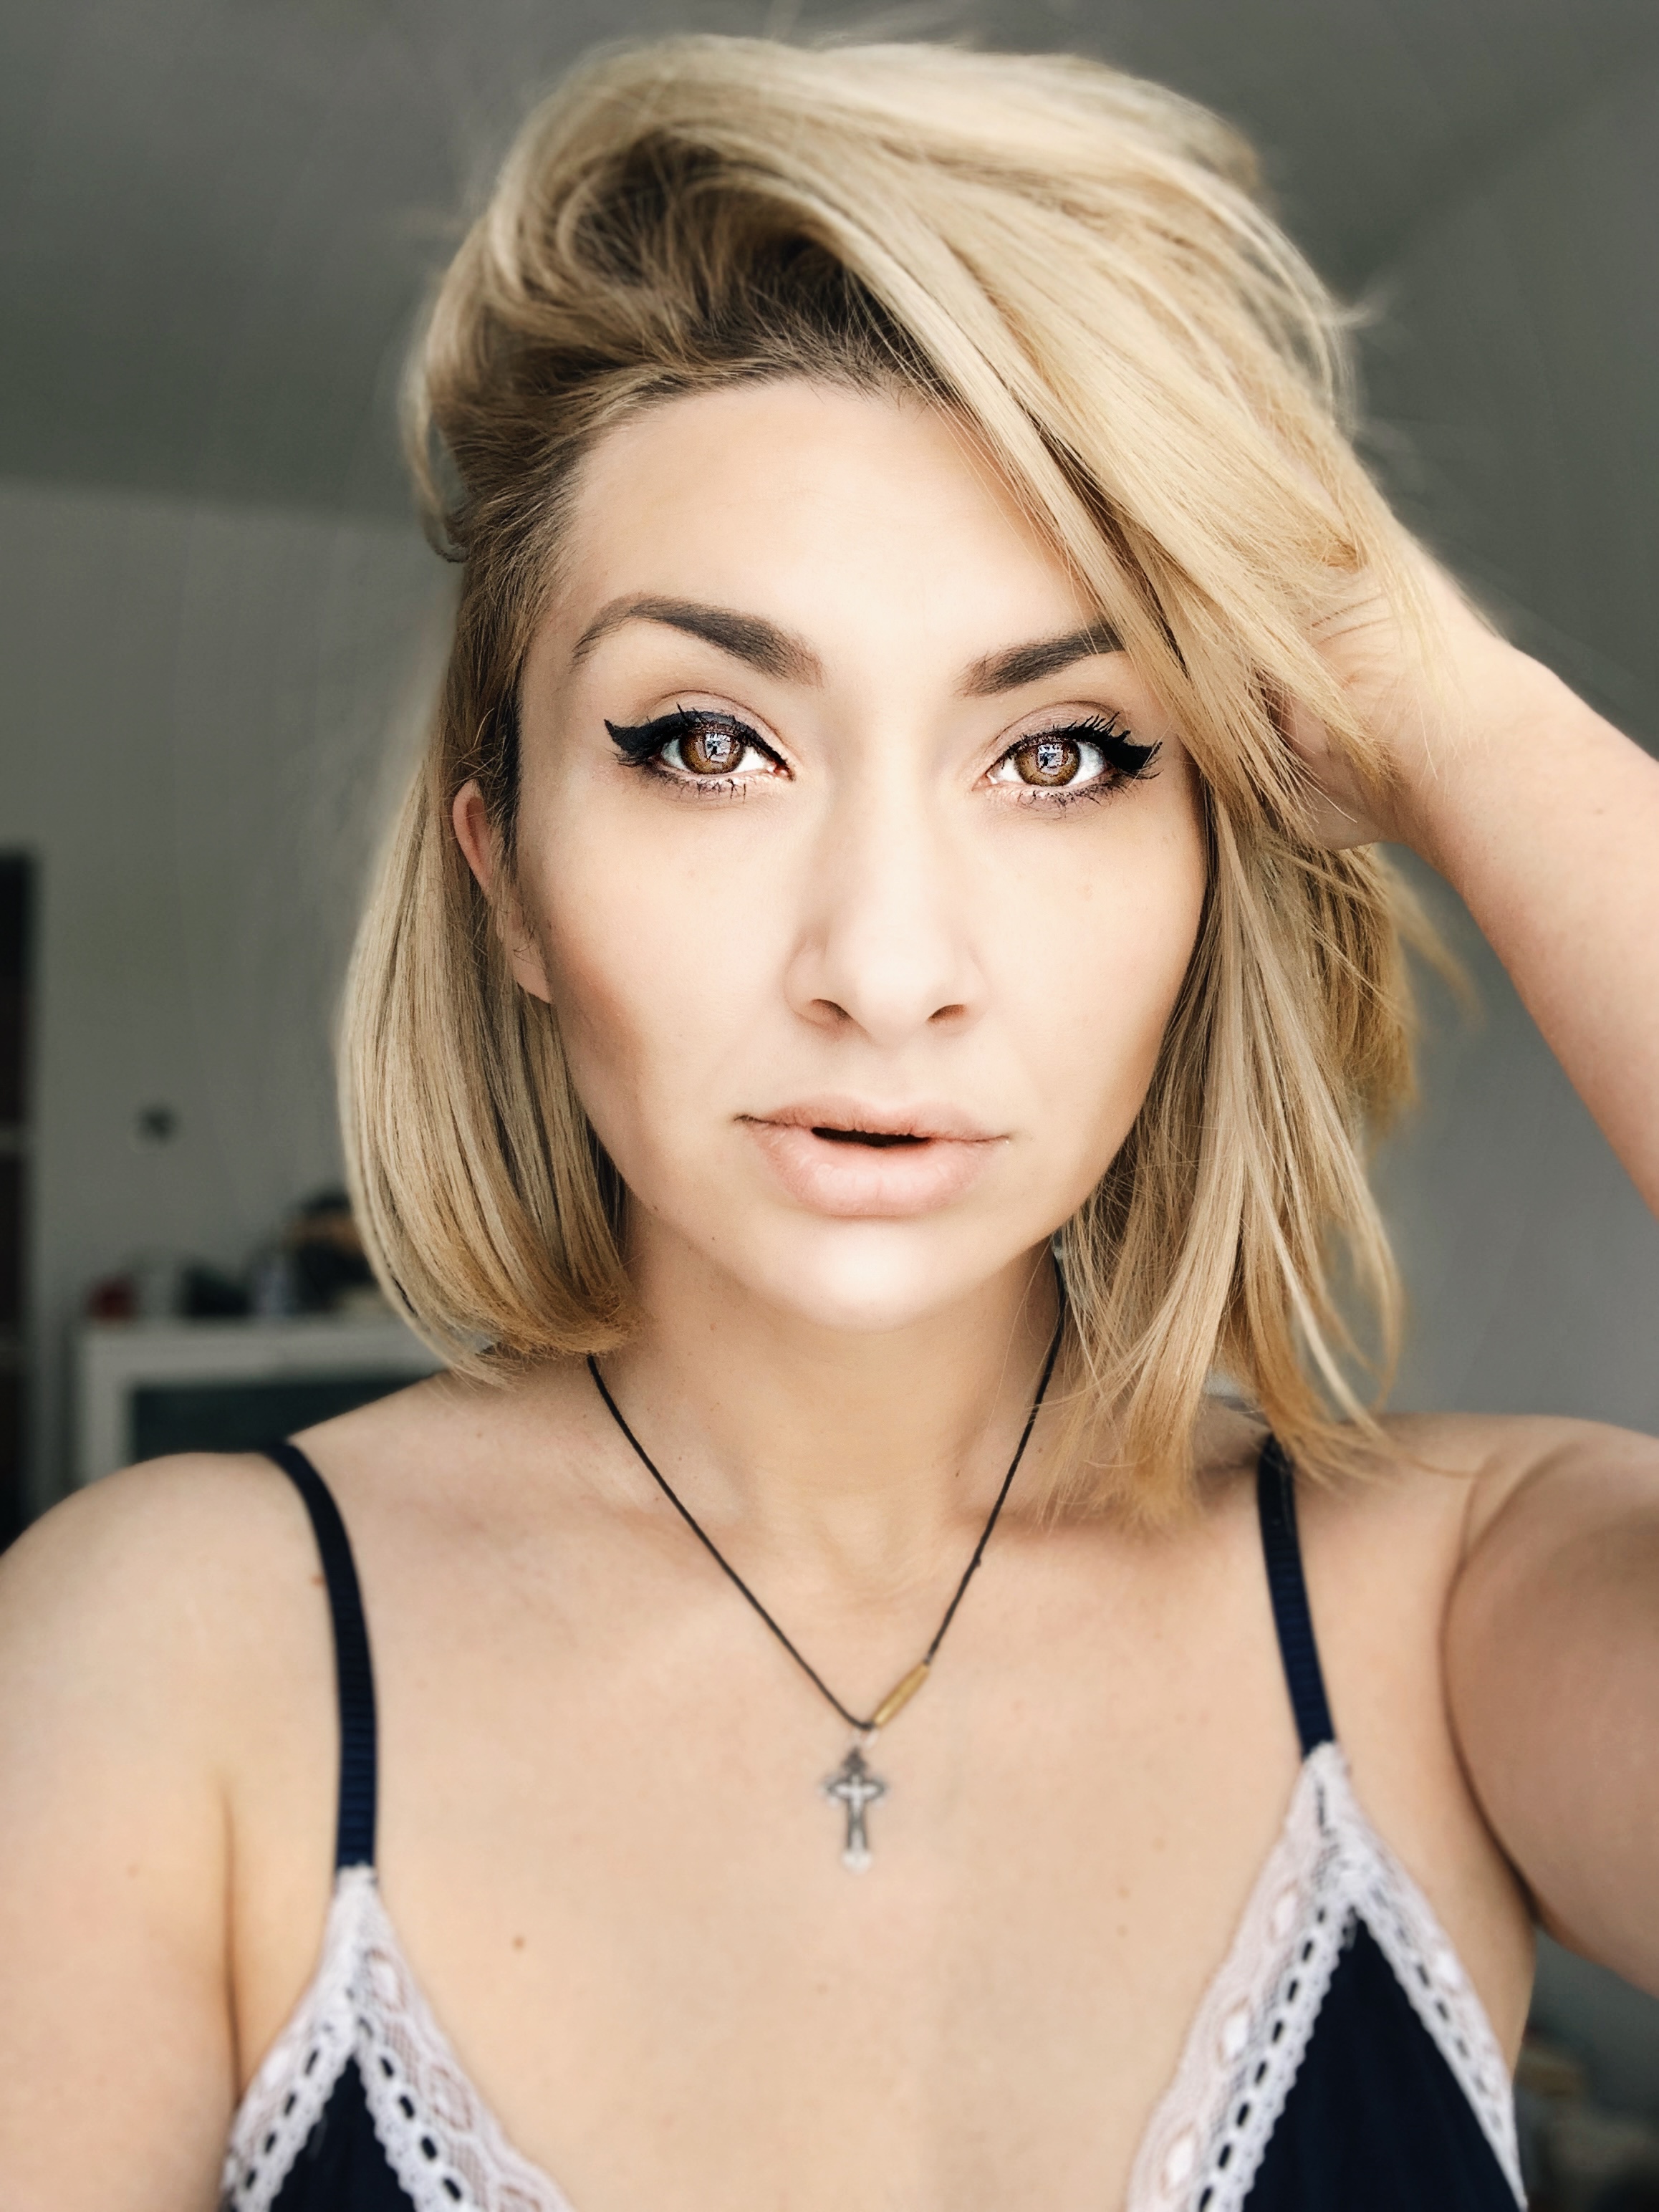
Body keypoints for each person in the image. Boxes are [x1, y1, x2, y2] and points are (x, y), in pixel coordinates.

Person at [1, 33, 1656, 2212]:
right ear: (507, 879)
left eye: (1062, 751)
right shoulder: (162, 1658)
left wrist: (1459, 709)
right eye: (707, 741)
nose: (884, 967)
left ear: (1212, 873)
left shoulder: (1448, 1613)